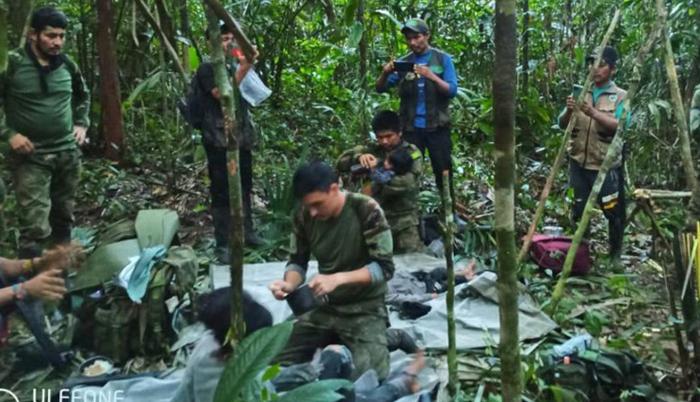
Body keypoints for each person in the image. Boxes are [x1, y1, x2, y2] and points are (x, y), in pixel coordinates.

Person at [269, 161, 395, 381]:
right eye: (308, 206)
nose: (313, 212)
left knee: (371, 376)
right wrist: (289, 284)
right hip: (324, 307)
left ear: (335, 188)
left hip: (364, 308)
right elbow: (298, 261)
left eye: (318, 204)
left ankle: (391, 337)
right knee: (267, 356)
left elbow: (384, 268)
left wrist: (338, 279)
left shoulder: (365, 209)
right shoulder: (305, 215)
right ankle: (334, 342)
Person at [0, 6, 90, 259]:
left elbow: (83, 96)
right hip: (31, 157)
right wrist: (9, 135)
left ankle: (59, 280)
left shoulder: (67, 65)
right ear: (33, 34)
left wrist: (81, 123)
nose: (57, 42)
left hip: (66, 154)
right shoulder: (13, 64)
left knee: (63, 219)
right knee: (35, 228)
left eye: (61, 36)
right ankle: (31, 290)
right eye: (51, 36)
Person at [196, 23, 262, 263]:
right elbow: (222, 93)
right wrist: (245, 65)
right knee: (222, 191)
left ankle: (248, 232)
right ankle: (223, 242)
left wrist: (246, 64)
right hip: (218, 140)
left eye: (232, 38)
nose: (229, 43)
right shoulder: (207, 69)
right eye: (224, 39)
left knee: (244, 186)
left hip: (241, 137)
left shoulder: (236, 65)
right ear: (211, 42)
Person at [557, 46, 629, 259]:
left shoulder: (621, 96)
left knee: (613, 212)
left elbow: (621, 126)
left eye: (601, 64)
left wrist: (593, 113)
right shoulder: (582, 91)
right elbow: (562, 124)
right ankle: (581, 256)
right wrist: (570, 109)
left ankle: (615, 255)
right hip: (578, 163)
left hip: (605, 165)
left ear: (613, 69)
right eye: (591, 63)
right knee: (578, 211)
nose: (594, 68)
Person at [375, 18, 458, 203]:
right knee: (406, 168)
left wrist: (432, 76)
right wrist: (385, 72)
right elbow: (380, 88)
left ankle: (449, 211)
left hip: (437, 129)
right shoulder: (404, 63)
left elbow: (452, 90)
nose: (413, 42)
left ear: (427, 35)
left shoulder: (442, 59)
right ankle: (409, 210)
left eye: (417, 37)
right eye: (409, 39)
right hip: (411, 131)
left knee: (443, 170)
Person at [337, 111, 423, 254]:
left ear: (399, 132)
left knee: (412, 264)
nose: (384, 141)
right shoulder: (371, 149)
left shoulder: (411, 152)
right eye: (380, 137)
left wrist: (378, 171)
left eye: (389, 136)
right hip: (374, 220)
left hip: (403, 222)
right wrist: (358, 157)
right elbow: (341, 163)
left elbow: (408, 183)